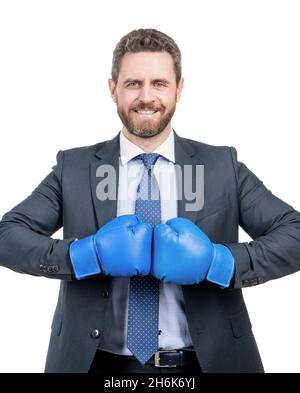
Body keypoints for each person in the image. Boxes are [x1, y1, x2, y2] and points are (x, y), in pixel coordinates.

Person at [1, 28, 300, 374]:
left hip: (205, 362)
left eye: (159, 83)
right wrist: (87, 255)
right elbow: (8, 236)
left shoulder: (222, 166)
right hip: (95, 364)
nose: (146, 97)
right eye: (133, 84)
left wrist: (217, 262)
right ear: (113, 89)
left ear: (179, 89)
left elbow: (294, 234)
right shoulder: (75, 168)